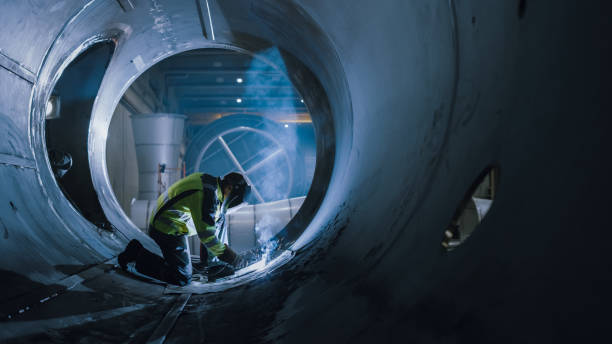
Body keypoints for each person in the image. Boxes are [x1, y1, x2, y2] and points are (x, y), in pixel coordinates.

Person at [118, 172, 251, 286]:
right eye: (236, 201)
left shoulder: (210, 184)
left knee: (219, 219)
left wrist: (216, 261)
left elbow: (213, 223)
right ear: (229, 187)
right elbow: (207, 237)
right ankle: (137, 254)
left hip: (170, 217)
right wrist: (233, 259)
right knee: (182, 278)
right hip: (166, 228)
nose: (233, 205)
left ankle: (211, 265)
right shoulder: (207, 197)